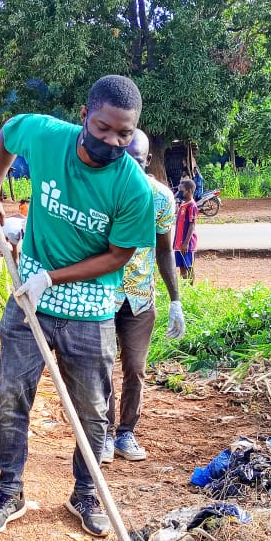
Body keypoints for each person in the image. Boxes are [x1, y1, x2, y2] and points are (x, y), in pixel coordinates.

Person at [0, 75, 154, 538]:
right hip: (28, 299)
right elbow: (7, 135)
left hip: (91, 305)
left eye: (125, 134)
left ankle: (86, 494)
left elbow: (118, 256)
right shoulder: (46, 136)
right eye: (104, 128)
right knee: (12, 397)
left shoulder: (134, 189)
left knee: (93, 411)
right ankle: (9, 491)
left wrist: (51, 278)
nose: (113, 141)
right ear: (83, 117)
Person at [104, 129, 185, 464]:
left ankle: (126, 432)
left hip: (139, 297)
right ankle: (105, 434)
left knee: (135, 368)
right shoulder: (103, 189)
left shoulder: (162, 198)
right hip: (103, 294)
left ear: (148, 161)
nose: (130, 168)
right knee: (101, 368)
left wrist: (175, 300)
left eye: (137, 161)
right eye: (124, 159)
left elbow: (166, 250)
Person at [174, 179, 198, 282]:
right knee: (182, 267)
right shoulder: (183, 204)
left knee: (189, 267)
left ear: (188, 191)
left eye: (181, 190)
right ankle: (185, 287)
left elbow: (192, 225)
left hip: (186, 244)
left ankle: (191, 289)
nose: (179, 193)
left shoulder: (192, 205)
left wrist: (186, 243)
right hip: (179, 244)